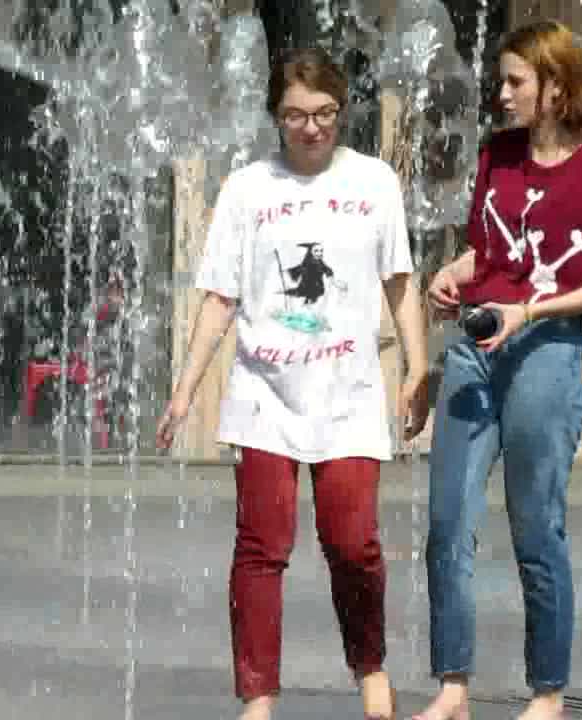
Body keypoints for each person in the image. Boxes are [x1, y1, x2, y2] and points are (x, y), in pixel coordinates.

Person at [155, 47, 429, 720]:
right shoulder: (247, 189)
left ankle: (370, 665)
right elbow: (220, 298)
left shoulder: (374, 183)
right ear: (276, 116)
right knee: (262, 547)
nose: (311, 128)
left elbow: (399, 281)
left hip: (348, 394)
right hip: (264, 394)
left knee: (353, 543)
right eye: (295, 115)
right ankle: (258, 696)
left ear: (342, 109)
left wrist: (419, 367)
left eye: (324, 113)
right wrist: (185, 390)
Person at [412, 20, 582, 720]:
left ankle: (548, 693)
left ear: (555, 87)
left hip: (547, 348)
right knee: (447, 522)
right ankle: (453, 688)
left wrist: (532, 310)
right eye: (501, 81)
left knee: (535, 527)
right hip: (476, 347)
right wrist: (452, 274)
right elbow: (490, 253)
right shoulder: (497, 154)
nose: (503, 93)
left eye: (516, 81)